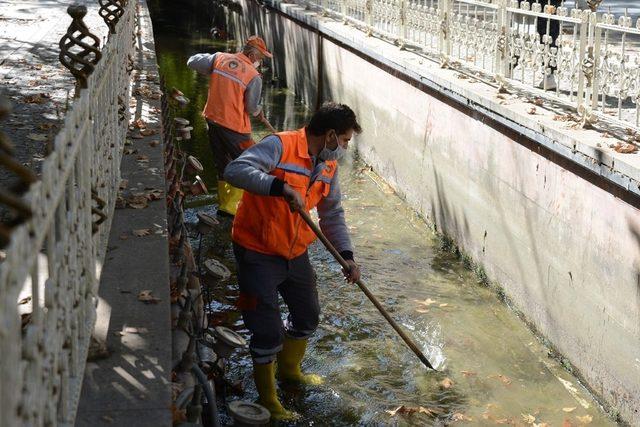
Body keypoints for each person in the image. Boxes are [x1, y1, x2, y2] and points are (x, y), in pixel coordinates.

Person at [223, 102, 362, 420]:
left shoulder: (327, 167)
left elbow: (332, 214)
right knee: (267, 330)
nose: (342, 149)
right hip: (256, 251)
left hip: (296, 252)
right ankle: (269, 401)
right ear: (329, 135)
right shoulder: (280, 145)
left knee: (307, 316)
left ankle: (289, 371)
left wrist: (348, 257)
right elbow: (235, 171)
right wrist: (279, 186)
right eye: (343, 141)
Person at [187, 35, 273, 216]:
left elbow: (192, 62)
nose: (261, 62)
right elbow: (251, 107)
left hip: (213, 121)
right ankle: (251, 207)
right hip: (234, 128)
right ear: (253, 55)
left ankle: (226, 206)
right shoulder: (253, 76)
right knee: (251, 164)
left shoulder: (220, 58)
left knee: (223, 163)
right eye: (261, 58)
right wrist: (258, 111)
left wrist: (215, 70)